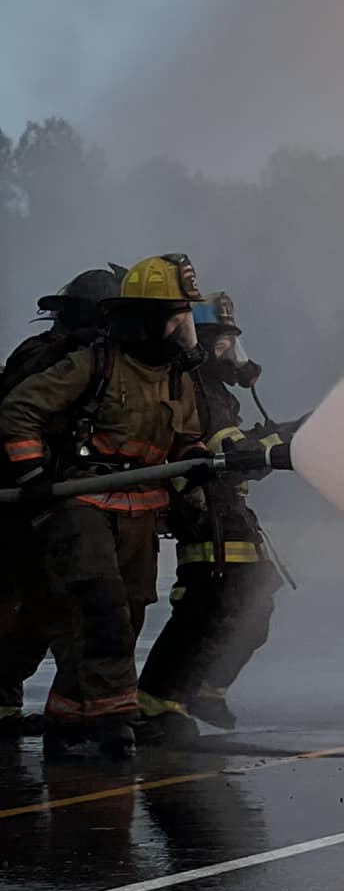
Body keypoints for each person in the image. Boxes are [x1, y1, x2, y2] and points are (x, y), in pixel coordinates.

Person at [0, 255, 206, 762]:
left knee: (127, 616)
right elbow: (18, 411)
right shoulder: (93, 363)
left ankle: (69, 720)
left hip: (141, 511)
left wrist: (197, 466)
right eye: (175, 315)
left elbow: (186, 439)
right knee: (100, 613)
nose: (185, 327)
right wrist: (33, 477)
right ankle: (116, 722)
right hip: (83, 504)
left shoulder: (175, 378)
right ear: (143, 316)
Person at [138, 291, 285, 740]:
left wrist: (278, 440)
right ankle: (158, 700)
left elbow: (238, 454)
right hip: (203, 512)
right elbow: (227, 450)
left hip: (229, 511)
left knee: (253, 604)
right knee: (204, 606)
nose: (230, 352)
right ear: (198, 340)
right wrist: (272, 447)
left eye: (231, 343)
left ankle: (205, 687)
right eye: (221, 342)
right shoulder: (196, 385)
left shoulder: (214, 388)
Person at [0, 267, 125, 736]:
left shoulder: (106, 363)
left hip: (68, 507)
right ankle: (67, 718)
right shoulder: (45, 357)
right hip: (23, 509)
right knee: (40, 614)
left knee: (64, 611)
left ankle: (79, 714)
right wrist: (34, 473)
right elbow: (17, 414)